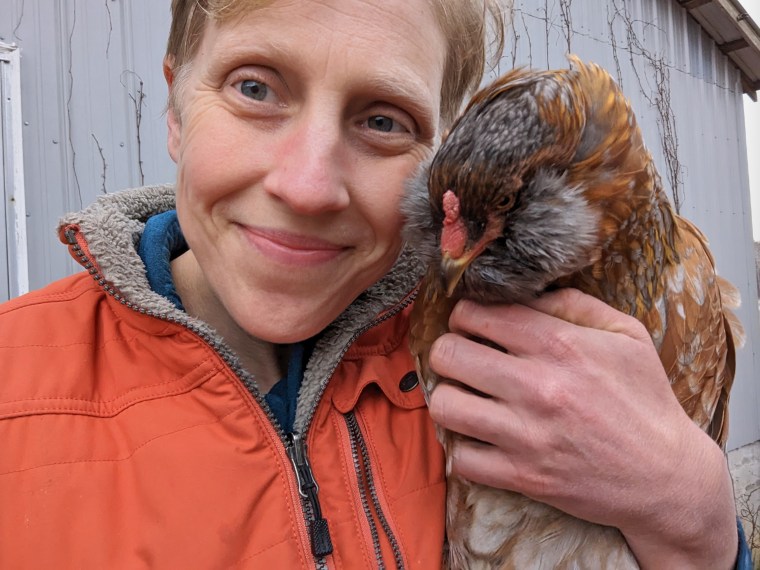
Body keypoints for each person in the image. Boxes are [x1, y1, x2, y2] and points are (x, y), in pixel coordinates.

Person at [0, 0, 751, 568]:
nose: (307, 185)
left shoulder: (523, 362)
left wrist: (703, 520)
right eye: (255, 88)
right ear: (173, 108)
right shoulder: (17, 395)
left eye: (383, 121)